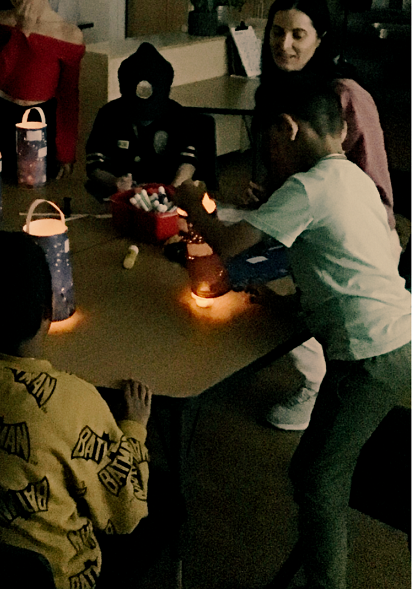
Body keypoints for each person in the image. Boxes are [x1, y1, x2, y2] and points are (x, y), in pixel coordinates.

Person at [172, 80, 411, 589]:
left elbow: (233, 243)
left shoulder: (310, 186)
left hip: (367, 358)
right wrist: (282, 303)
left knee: (318, 480)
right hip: (396, 337)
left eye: (271, 144)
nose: (271, 158)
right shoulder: (352, 178)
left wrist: (195, 203)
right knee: (319, 467)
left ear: (287, 129)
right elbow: (340, 268)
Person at [0, 231, 153, 589]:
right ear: (50, 307)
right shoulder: (76, 401)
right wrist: (134, 427)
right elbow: (125, 515)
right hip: (53, 579)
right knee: (168, 506)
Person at [242, 0, 403, 431]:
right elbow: (282, 171)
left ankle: (316, 389)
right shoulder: (275, 90)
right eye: (277, 32)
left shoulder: (346, 94)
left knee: (343, 327)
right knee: (285, 295)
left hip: (363, 234)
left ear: (321, 38)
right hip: (302, 228)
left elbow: (373, 183)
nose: (285, 45)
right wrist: (268, 194)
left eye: (299, 34)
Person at [85, 42, 214, 200]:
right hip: (121, 199)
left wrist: (171, 191)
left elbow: (188, 161)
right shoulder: (109, 114)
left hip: (167, 196)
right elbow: (95, 164)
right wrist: (115, 182)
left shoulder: (179, 116)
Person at [0, 0, 85, 181]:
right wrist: (21, 33)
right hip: (4, 114)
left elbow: (68, 97)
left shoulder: (68, 33)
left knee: (36, 187)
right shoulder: (0, 20)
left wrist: (66, 151)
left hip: (42, 119)